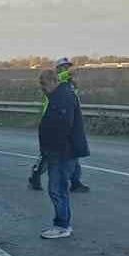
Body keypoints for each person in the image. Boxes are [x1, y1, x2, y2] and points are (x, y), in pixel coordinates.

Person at [37, 69, 89, 239]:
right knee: (59, 188)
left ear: (53, 81)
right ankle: (62, 224)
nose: (42, 89)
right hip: (60, 151)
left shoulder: (63, 97)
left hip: (62, 152)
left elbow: (63, 125)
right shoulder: (60, 95)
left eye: (43, 84)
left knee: (57, 189)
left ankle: (62, 225)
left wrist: (52, 149)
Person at [28, 57, 90, 192]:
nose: (66, 69)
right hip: (51, 119)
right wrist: (69, 73)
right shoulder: (54, 82)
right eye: (63, 67)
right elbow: (60, 77)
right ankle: (35, 175)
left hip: (66, 120)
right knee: (46, 156)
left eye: (67, 67)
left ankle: (75, 182)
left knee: (72, 153)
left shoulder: (69, 84)